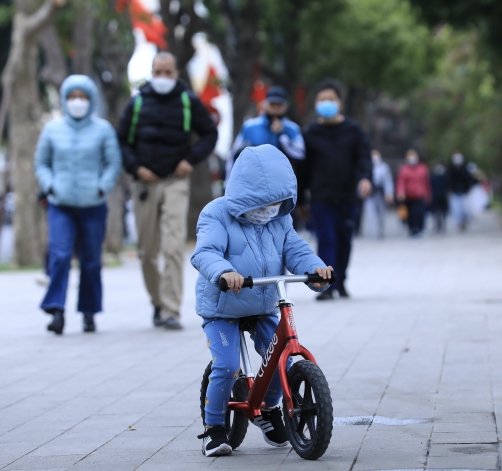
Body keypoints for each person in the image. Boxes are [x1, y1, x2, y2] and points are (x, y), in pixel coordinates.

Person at [191, 144, 332, 457]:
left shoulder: (279, 219)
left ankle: (269, 410)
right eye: (264, 202)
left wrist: (315, 270)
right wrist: (225, 272)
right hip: (222, 306)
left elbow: (296, 250)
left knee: (280, 354)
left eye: (278, 202)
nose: (270, 209)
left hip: (262, 303)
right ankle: (214, 428)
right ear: (245, 195)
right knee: (227, 366)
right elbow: (205, 253)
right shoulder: (216, 213)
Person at [117, 52, 218, 330]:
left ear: (176, 73)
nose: (162, 78)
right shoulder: (137, 103)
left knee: (173, 246)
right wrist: (136, 168)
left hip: (176, 180)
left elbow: (210, 134)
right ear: (151, 72)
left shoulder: (188, 101)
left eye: (167, 72)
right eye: (157, 72)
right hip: (145, 183)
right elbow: (121, 140)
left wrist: (190, 160)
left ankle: (172, 309)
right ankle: (158, 302)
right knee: (147, 250)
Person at [34, 75, 122, 335]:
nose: (77, 102)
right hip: (60, 204)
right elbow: (41, 163)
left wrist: (101, 187)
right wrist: (49, 186)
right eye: (72, 97)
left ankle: (89, 311)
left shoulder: (103, 129)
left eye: (82, 97)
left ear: (91, 100)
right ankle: (56, 310)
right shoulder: (52, 129)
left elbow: (113, 163)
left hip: (93, 204)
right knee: (59, 256)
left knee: (91, 261)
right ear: (64, 99)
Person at [298, 79, 372, 300]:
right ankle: (326, 284)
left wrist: (365, 179)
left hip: (348, 196)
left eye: (330, 99)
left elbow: (364, 158)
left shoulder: (354, 130)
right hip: (321, 197)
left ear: (339, 102)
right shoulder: (310, 134)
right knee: (326, 238)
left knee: (344, 239)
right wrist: (301, 200)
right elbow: (302, 169)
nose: (326, 103)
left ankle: (341, 280)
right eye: (322, 100)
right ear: (315, 104)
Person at [225, 86, 305, 180]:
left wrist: (282, 135)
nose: (275, 108)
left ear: (285, 107)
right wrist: (228, 182)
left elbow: (299, 156)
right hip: (254, 182)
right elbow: (235, 155)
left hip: (283, 183)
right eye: (272, 104)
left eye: (279, 105)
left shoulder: (292, 129)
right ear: (265, 105)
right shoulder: (250, 127)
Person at [396, 149, 431, 237]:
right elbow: (401, 182)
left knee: (420, 213)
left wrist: (428, 194)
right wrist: (400, 192)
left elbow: (426, 182)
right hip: (409, 196)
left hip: (420, 195)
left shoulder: (422, 168)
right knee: (411, 214)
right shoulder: (404, 169)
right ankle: (413, 229)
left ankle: (420, 228)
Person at [363, 150, 394, 239]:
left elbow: (388, 181)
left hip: (380, 193)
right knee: (370, 213)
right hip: (370, 193)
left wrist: (389, 193)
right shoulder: (367, 166)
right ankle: (374, 232)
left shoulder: (384, 167)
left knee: (381, 213)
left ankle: (381, 230)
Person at [447, 152, 476, 231]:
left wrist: (467, 190)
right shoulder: (451, 170)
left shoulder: (465, 169)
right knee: (456, 210)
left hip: (464, 192)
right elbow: (449, 181)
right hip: (454, 193)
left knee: (465, 209)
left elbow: (469, 181)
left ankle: (464, 221)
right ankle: (459, 224)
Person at [430, 163, 449, 232]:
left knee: (443, 212)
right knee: (435, 212)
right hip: (435, 197)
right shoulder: (432, 177)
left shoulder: (445, 177)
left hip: (443, 197)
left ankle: (443, 225)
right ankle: (437, 225)